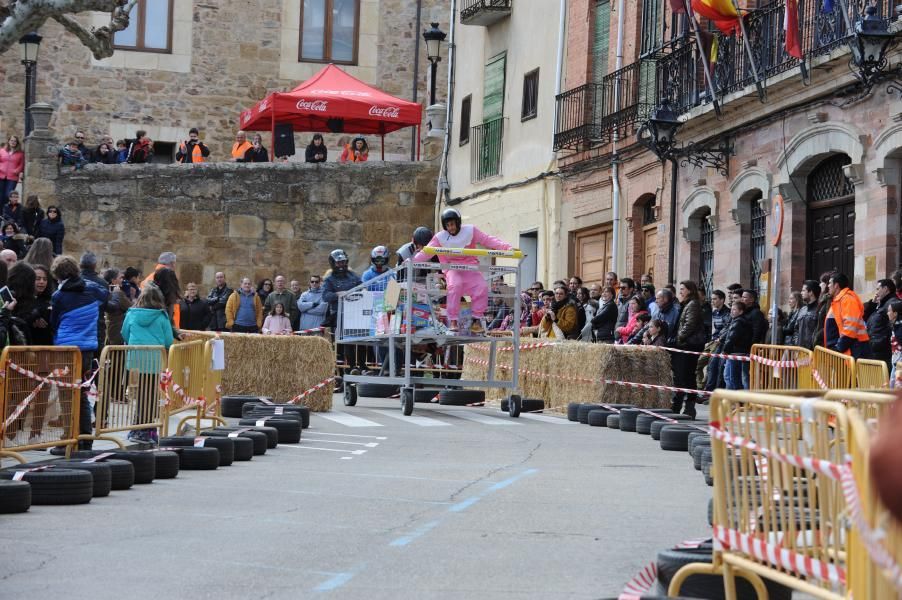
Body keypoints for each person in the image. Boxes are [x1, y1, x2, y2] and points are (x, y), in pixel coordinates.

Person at [413, 209, 513, 334]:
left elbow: (488, 240)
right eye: (448, 225)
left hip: (470, 267)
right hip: (453, 268)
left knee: (481, 287)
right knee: (455, 285)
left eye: (453, 224)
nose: (451, 228)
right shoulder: (440, 237)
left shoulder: (471, 231)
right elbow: (427, 251)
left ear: (458, 223)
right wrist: (413, 260)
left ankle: (476, 321)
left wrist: (507, 248)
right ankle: (453, 320)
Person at [50, 255, 109, 450]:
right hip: (87, 349)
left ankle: (68, 438)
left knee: (66, 394)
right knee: (82, 393)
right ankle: (85, 439)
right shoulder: (92, 289)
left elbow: (54, 322)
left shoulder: (58, 296)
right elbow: (106, 295)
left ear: (57, 274)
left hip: (66, 349)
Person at [121, 285, 174, 445]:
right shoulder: (161, 316)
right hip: (153, 359)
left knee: (139, 394)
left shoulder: (131, 314)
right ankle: (145, 428)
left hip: (135, 358)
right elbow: (168, 340)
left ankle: (140, 426)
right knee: (150, 395)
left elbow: (124, 333)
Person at [322, 249, 365, 373]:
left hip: (356, 313)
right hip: (339, 315)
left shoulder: (354, 276)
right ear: (333, 263)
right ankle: (349, 368)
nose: (341, 265)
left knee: (361, 340)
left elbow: (362, 287)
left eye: (343, 262)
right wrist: (337, 294)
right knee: (345, 342)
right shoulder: (329, 279)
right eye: (339, 263)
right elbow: (325, 296)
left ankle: (362, 366)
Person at [671, 280, 706, 418]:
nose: (680, 292)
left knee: (687, 376)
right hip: (685, 344)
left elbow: (689, 325)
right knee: (683, 376)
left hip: (689, 345)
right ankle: (679, 405)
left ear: (690, 290)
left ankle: (688, 407)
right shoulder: (686, 304)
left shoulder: (693, 304)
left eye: (682, 289)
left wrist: (679, 338)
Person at [825, 272, 870, 358]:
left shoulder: (847, 299)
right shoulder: (839, 300)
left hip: (853, 349)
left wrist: (839, 347)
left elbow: (850, 326)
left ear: (836, 285)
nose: (828, 286)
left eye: (830, 283)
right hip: (847, 349)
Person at [80, 251, 111, 350]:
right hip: (97, 325)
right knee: (96, 361)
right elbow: (105, 306)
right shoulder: (103, 283)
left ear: (80, 265)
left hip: (78, 325)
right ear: (94, 265)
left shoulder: (73, 281)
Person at [721, 300, 753, 390]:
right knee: (729, 376)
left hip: (736, 352)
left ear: (741, 311)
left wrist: (725, 350)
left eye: (734, 309)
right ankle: (732, 399)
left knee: (733, 378)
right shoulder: (736, 321)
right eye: (731, 309)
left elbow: (732, 338)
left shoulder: (738, 322)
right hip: (735, 352)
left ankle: (736, 400)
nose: (731, 311)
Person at [866, 278, 895, 371]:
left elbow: (894, 325)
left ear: (886, 289)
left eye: (878, 289)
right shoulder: (881, 304)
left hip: (883, 351)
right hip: (875, 349)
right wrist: (873, 305)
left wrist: (881, 341)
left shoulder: (892, 303)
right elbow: (866, 318)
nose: (876, 292)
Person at [103, 268, 133, 345]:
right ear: (113, 280)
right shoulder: (118, 294)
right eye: (120, 278)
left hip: (110, 331)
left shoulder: (104, 292)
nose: (122, 280)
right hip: (118, 332)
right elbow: (132, 307)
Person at [151, 267, 183, 336]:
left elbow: (168, 320)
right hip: (155, 339)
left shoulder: (168, 298)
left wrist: (176, 334)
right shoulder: (151, 297)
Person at [27, 264, 53, 346]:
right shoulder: (22, 299)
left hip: (47, 346)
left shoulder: (51, 299)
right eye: (37, 279)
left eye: (45, 279)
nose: (42, 282)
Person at [795, 279, 821, 349]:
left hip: (813, 352)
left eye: (803, 290)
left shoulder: (820, 310)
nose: (801, 293)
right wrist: (796, 342)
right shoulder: (802, 309)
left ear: (811, 292)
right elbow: (796, 329)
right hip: (800, 351)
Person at [0, 135, 24, 206]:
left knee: (7, 195)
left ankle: (3, 212)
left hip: (12, 178)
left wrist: (17, 170)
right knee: (0, 196)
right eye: (11, 140)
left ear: (17, 143)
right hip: (1, 175)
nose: (13, 142)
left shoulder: (20, 153)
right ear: (8, 141)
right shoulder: (2, 151)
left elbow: (22, 164)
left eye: (15, 141)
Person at [887, 299, 902, 386]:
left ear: (895, 313)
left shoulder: (899, 328)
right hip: (895, 365)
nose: (887, 313)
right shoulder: (895, 327)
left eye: (889, 311)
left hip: (900, 367)